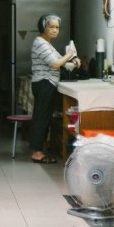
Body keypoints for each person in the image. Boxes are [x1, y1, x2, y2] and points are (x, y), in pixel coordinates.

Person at [29, 14, 80, 163]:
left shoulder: (47, 43)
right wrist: (69, 54)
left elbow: (60, 59)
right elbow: (55, 64)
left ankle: (40, 150)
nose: (55, 30)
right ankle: (37, 153)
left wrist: (72, 58)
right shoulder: (40, 43)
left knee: (44, 116)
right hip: (44, 82)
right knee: (41, 117)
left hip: (48, 82)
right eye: (51, 27)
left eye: (57, 27)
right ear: (43, 27)